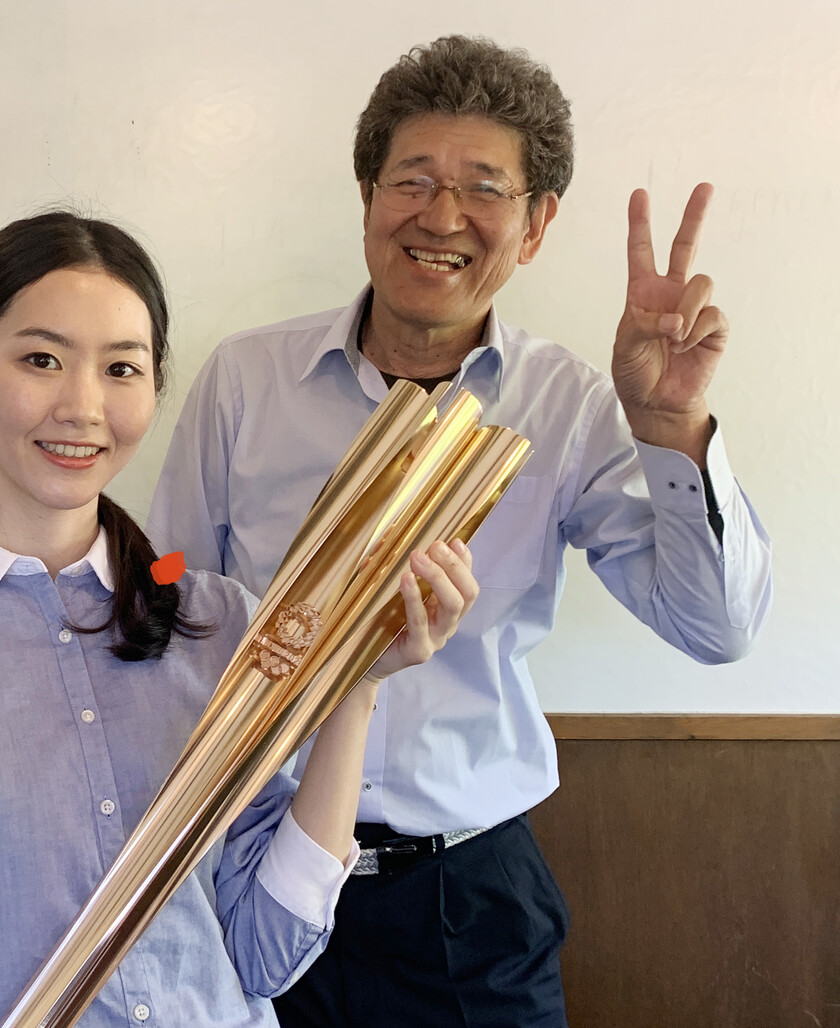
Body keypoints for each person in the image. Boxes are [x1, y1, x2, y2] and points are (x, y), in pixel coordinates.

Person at [148, 35, 774, 1028]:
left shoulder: (566, 403)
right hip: (258, 868)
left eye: (484, 188)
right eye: (413, 180)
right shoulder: (245, 380)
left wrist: (672, 426)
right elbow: (168, 581)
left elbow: (716, 629)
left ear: (535, 225)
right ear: (367, 197)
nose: (441, 217)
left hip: (469, 897)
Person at [0, 211, 480, 1028]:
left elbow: (266, 952)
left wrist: (356, 686)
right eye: (41, 360)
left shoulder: (222, 622)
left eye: (121, 368)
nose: (83, 406)